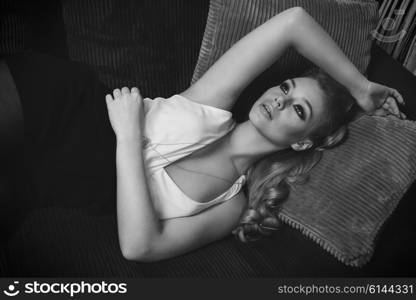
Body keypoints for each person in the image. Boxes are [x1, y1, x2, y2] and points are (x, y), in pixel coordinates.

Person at [2, 7, 405, 262]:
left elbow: (138, 247)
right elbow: (293, 21)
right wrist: (359, 86)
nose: (280, 100)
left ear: (302, 141)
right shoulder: (212, 103)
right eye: (286, 88)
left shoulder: (231, 207)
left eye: (299, 109)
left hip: (46, 181)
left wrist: (128, 135)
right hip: (59, 102)